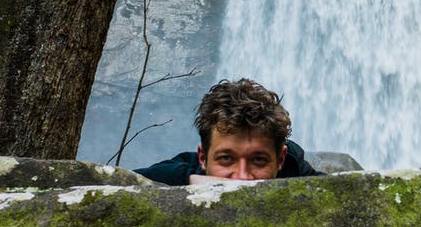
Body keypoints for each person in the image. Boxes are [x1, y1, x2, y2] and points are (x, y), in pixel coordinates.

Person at [136, 79, 324, 185]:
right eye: (226, 159)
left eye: (258, 160)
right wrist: (189, 179)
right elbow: (129, 179)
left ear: (281, 160)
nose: (242, 176)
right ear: (202, 158)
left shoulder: (294, 168)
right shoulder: (186, 169)